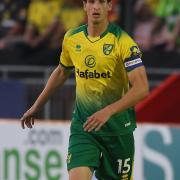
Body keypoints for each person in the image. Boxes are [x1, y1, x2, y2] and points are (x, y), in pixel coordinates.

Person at [21, 0, 149, 179]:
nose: (96, 7)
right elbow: (61, 72)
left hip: (118, 130)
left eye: (101, 2)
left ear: (109, 6)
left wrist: (108, 112)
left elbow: (142, 88)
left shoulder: (123, 42)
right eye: (91, 1)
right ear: (84, 6)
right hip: (84, 127)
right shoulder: (72, 38)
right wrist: (36, 105)